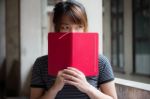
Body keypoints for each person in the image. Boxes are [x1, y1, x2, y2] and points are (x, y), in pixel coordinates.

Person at [30, 0, 117, 99]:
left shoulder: (101, 62)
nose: (73, 33)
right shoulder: (41, 64)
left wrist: (87, 87)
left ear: (85, 29)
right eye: (66, 27)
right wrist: (55, 88)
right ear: (57, 30)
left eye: (79, 27)